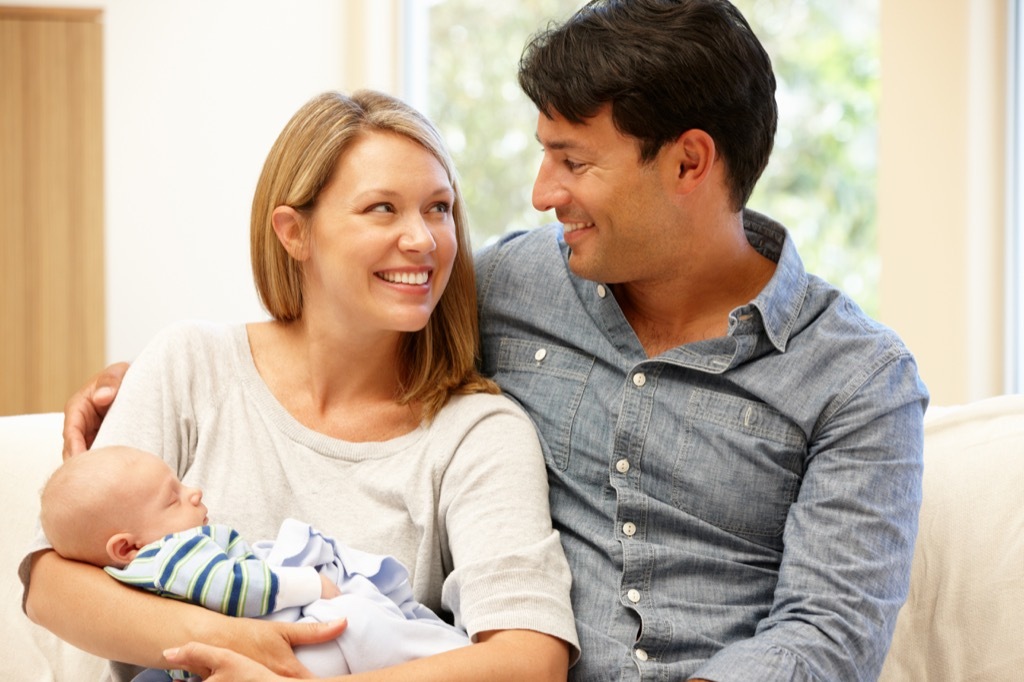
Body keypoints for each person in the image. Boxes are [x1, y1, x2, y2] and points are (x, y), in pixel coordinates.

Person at [53, 1, 929, 680]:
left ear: (689, 162)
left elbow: (828, 634)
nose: (542, 193)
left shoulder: (858, 378)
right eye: (543, 155)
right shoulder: (508, 286)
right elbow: (361, 297)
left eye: (574, 161)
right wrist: (146, 390)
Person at [22, 88, 579, 682]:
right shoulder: (191, 364)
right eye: (382, 209)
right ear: (294, 233)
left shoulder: (478, 433)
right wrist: (238, 641)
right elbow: (52, 587)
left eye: (439, 207)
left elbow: (529, 660)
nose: (423, 239)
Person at [39, 444, 471, 679]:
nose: (194, 493)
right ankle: (445, 650)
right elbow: (233, 586)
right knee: (359, 621)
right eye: (172, 498)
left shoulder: (139, 565)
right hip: (259, 646)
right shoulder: (169, 557)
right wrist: (307, 584)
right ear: (126, 547)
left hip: (192, 665)